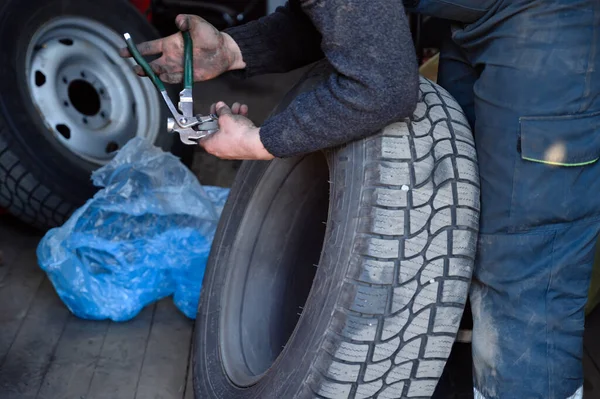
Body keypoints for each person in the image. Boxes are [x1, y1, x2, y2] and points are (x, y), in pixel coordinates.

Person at [120, 1, 599, 398]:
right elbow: (352, 20)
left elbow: (383, 89)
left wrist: (261, 141)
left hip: (552, 19)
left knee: (525, 268)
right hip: (471, 19)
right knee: (458, 227)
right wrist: (230, 48)